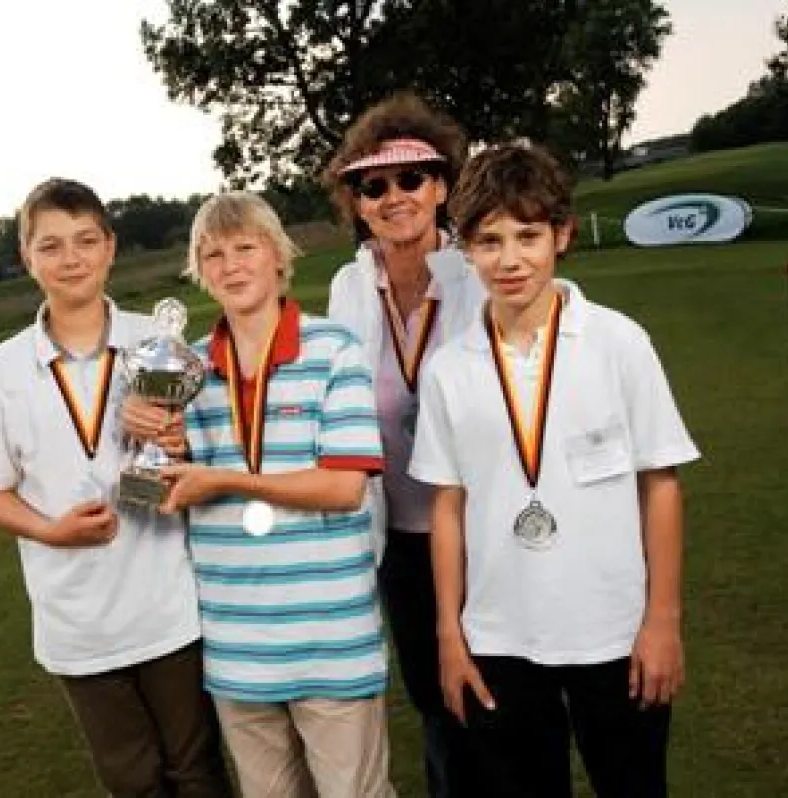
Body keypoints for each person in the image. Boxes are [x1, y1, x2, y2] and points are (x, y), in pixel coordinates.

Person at [409, 142, 700, 798]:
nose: (510, 259)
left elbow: (661, 484)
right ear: (464, 250)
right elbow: (447, 507)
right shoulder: (449, 368)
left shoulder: (619, 343)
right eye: (489, 241)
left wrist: (663, 619)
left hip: (615, 631)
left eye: (528, 236)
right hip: (499, 637)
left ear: (562, 235)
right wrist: (449, 635)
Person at [0, 178, 231, 798]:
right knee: (131, 782)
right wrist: (48, 530)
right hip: (76, 623)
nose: (71, 258)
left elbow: (216, 462)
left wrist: (177, 447)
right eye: (52, 245)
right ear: (26, 257)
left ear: (111, 247)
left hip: (170, 607)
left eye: (86, 240)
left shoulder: (163, 344)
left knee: (197, 773)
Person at [151, 190, 394, 797]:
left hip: (330, 639)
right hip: (237, 646)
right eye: (212, 255)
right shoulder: (184, 368)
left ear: (278, 255)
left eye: (244, 248)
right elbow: (160, 492)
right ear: (199, 273)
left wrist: (227, 479)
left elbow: (343, 488)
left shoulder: (334, 348)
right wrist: (162, 449)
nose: (229, 265)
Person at [322, 92, 484, 797]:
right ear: (357, 202)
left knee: (500, 688)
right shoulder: (348, 286)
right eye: (374, 185)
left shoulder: (479, 271)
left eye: (412, 177)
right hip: (397, 535)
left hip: (484, 523)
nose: (395, 196)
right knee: (433, 694)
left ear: (442, 186)